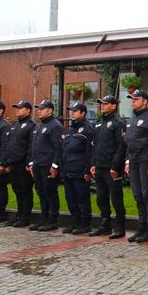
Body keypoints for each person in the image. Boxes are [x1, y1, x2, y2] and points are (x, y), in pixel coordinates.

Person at [123, 89, 148, 243]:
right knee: (137, 195)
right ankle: (141, 227)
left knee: (147, 195)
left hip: (146, 161)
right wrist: (127, 160)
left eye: (136, 99)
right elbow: (129, 142)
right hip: (133, 161)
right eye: (132, 99)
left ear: (144, 101)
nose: (133, 101)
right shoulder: (131, 119)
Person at [89, 95, 128, 238]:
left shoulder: (118, 123)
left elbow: (121, 147)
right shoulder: (98, 123)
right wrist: (93, 164)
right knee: (101, 197)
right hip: (99, 166)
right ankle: (105, 225)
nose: (102, 105)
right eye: (101, 103)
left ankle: (119, 227)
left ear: (114, 106)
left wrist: (116, 166)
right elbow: (95, 145)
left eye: (105, 103)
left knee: (116, 198)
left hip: (112, 167)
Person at [60, 102, 95, 234]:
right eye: (71, 111)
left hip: (80, 170)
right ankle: (75, 222)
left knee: (82, 198)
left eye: (75, 111)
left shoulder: (88, 129)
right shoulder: (70, 129)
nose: (72, 113)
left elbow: (89, 152)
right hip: (69, 170)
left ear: (83, 113)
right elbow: (64, 150)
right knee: (70, 198)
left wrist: (87, 170)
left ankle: (85, 224)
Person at [0, 100, 36, 227]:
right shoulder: (14, 125)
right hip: (13, 163)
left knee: (25, 190)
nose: (17, 110)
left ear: (28, 110)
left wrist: (28, 162)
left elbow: (31, 145)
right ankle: (19, 214)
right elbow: (7, 144)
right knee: (17, 190)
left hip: (23, 164)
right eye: (16, 107)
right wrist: (6, 161)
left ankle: (25, 216)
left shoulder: (31, 125)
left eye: (20, 108)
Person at [28, 100, 63, 231]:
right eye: (38, 108)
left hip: (48, 166)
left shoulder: (55, 126)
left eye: (42, 109)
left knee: (50, 193)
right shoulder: (38, 126)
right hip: (37, 164)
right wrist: (32, 162)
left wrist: (55, 165)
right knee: (41, 192)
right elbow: (33, 146)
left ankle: (52, 220)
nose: (39, 110)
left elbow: (58, 147)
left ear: (50, 110)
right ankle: (43, 218)